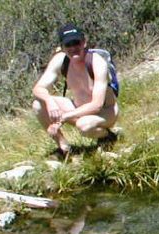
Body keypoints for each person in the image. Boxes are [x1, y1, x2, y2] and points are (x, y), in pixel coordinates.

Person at [32, 23, 119, 157]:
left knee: (84, 125)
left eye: (76, 42)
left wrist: (64, 117)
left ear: (84, 42)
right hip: (78, 108)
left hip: (105, 112)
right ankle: (64, 148)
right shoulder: (60, 60)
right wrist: (49, 101)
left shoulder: (97, 62)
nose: (73, 48)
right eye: (68, 45)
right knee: (38, 105)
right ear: (62, 47)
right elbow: (38, 88)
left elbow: (96, 105)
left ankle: (108, 137)